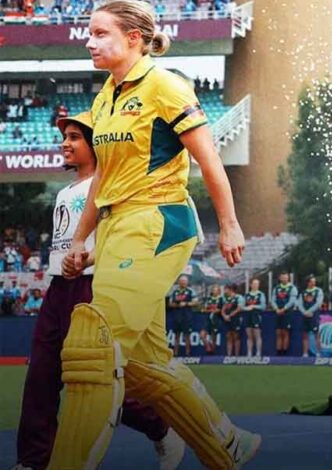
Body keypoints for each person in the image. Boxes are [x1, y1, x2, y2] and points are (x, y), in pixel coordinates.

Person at [46, 1, 261, 468]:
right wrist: (81, 239)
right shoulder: (105, 96)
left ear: (134, 38)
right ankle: (227, 444)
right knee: (144, 366)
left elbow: (208, 159)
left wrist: (228, 224)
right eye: (89, 32)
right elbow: (103, 179)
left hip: (157, 222)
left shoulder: (166, 86)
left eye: (100, 33)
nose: (89, 41)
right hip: (116, 229)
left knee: (92, 346)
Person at [13, 112, 184, 470]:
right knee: (41, 374)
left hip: (94, 285)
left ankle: (161, 427)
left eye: (75, 137)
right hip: (58, 287)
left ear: (96, 144)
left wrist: (89, 259)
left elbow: (119, 238)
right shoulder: (65, 192)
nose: (65, 143)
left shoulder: (110, 189)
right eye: (65, 137)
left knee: (96, 379)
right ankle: (33, 461)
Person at [167, 274, 197, 357]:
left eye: (185, 281)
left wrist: (186, 304)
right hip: (177, 316)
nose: (183, 283)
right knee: (176, 335)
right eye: (182, 281)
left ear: (187, 282)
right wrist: (177, 305)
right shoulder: (174, 292)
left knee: (187, 335)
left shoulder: (191, 291)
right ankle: (175, 353)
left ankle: (188, 353)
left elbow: (195, 302)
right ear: (179, 282)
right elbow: (170, 303)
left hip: (187, 316)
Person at [270, 271, 298, 356]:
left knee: (285, 332)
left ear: (288, 278)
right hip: (278, 312)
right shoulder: (276, 288)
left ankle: (285, 352)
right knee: (278, 332)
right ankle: (279, 352)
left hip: (287, 313)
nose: (284, 279)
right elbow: (272, 300)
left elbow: (292, 301)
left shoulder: (292, 288)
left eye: (286, 277)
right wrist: (276, 309)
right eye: (282, 277)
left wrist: (284, 309)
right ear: (280, 278)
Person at [299, 275, 324, 357]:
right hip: (305, 316)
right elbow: (299, 304)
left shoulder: (318, 291)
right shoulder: (303, 292)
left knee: (316, 334)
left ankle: (319, 353)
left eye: (314, 281)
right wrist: (304, 312)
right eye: (311, 282)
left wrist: (310, 311)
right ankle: (305, 353)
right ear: (308, 283)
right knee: (304, 335)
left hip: (314, 315)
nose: (313, 283)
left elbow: (318, 303)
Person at [243, 278, 266, 357]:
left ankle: (258, 353)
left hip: (256, 316)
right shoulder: (247, 295)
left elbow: (263, 306)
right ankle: (249, 353)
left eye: (257, 284)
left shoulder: (261, 294)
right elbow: (242, 306)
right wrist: (246, 308)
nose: (256, 285)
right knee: (249, 336)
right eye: (254, 284)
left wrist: (254, 306)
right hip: (248, 316)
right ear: (251, 285)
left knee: (257, 335)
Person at [199, 284, 224, 354]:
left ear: (219, 291)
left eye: (216, 290)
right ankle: (208, 346)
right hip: (208, 320)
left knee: (214, 337)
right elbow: (204, 309)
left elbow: (219, 310)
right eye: (213, 290)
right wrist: (208, 310)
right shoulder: (209, 299)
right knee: (202, 335)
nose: (214, 291)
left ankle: (212, 353)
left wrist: (210, 310)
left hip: (216, 319)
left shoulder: (221, 299)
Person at [220, 283, 243, 357]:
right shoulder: (226, 298)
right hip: (227, 320)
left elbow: (239, 308)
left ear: (231, 290)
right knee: (228, 336)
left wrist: (229, 315)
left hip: (236, 319)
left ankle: (236, 355)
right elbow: (223, 309)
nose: (225, 291)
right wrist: (224, 315)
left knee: (236, 336)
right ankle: (229, 355)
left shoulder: (239, 297)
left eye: (226, 289)